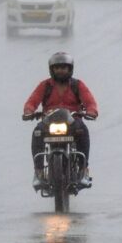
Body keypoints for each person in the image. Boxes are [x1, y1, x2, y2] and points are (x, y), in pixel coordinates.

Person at [23, 52, 98, 189]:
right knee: (37, 133)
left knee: (83, 131)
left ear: (70, 69)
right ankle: (39, 171)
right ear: (52, 69)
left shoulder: (78, 85)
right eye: (57, 68)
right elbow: (32, 101)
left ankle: (83, 170)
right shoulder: (45, 85)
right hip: (48, 121)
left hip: (72, 121)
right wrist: (29, 111)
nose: (60, 71)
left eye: (64, 68)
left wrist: (91, 111)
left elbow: (90, 101)